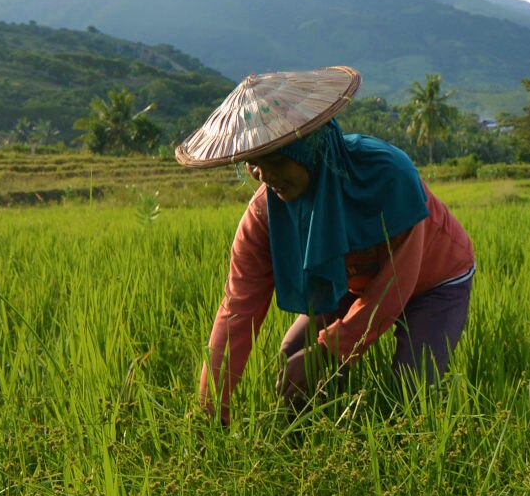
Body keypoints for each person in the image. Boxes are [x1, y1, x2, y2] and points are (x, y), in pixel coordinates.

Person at [176, 67, 475, 422]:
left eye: (276, 160)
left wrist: (330, 351)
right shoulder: (264, 216)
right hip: (347, 280)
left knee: (411, 387)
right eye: (254, 165)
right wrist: (211, 408)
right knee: (294, 354)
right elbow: (238, 310)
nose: (265, 177)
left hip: (434, 280)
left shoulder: (387, 175)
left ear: (309, 147)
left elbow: (398, 282)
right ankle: (315, 441)